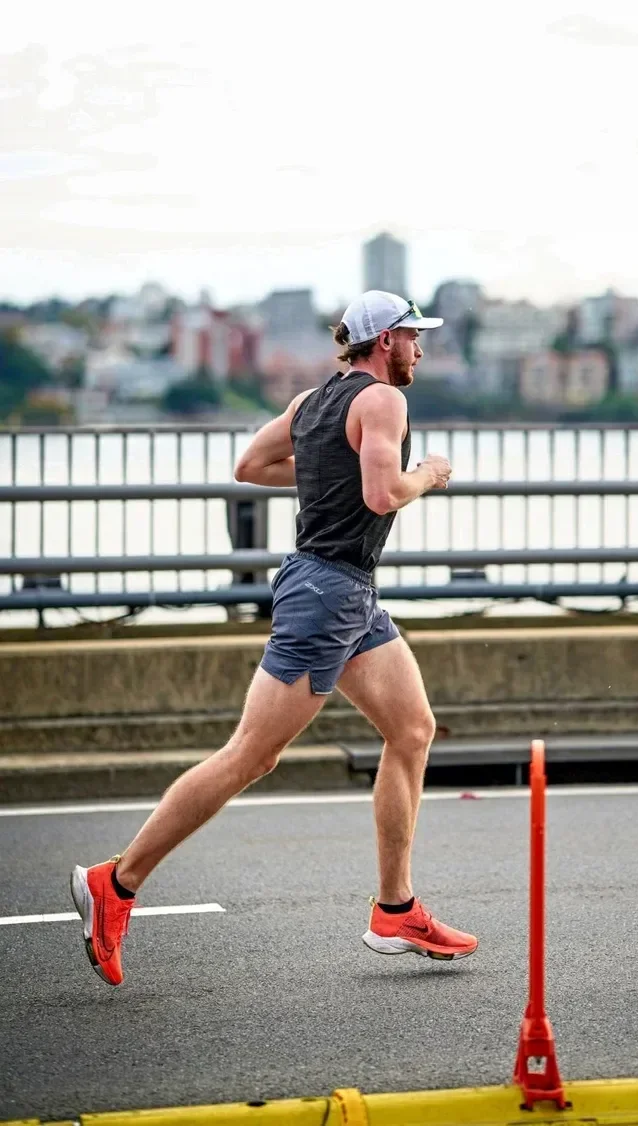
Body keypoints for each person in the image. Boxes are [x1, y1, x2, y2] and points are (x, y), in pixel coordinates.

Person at [70, 290, 479, 986]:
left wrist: (344, 470)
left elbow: (250, 467)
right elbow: (385, 496)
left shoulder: (310, 403)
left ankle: (395, 908)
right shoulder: (383, 402)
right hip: (326, 595)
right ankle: (119, 880)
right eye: (413, 336)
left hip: (346, 594)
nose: (419, 349)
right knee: (249, 757)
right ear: (385, 342)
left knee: (412, 729)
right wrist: (428, 474)